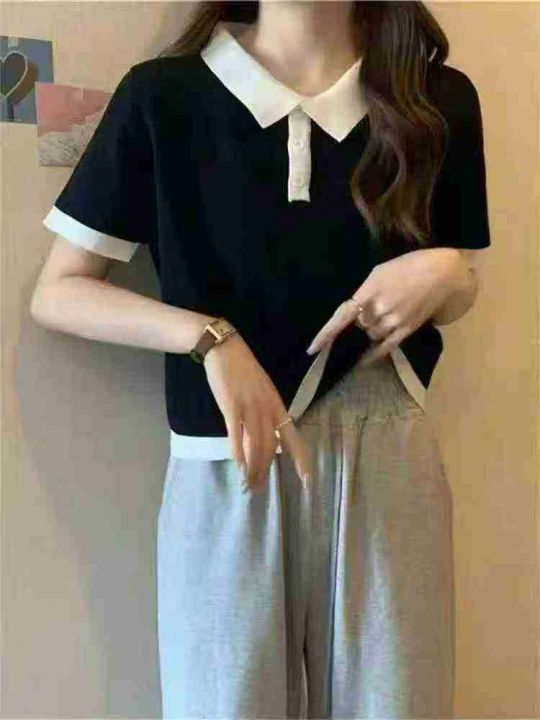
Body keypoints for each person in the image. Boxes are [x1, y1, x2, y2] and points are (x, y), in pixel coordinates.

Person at [32, 0, 492, 717]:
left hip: (387, 450)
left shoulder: (432, 97)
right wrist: (209, 339)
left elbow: (459, 286)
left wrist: (448, 272)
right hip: (228, 458)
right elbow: (59, 292)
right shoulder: (166, 96)